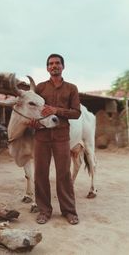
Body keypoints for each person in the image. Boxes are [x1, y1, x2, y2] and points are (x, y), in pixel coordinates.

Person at [32, 53, 81, 225]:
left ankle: (68, 211)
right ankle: (44, 211)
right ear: (47, 68)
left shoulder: (71, 88)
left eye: (57, 63)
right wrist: (34, 123)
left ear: (63, 66)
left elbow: (76, 113)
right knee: (40, 174)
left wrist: (56, 110)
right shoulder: (40, 88)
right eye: (51, 63)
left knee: (64, 174)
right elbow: (34, 111)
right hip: (41, 136)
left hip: (61, 136)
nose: (54, 66)